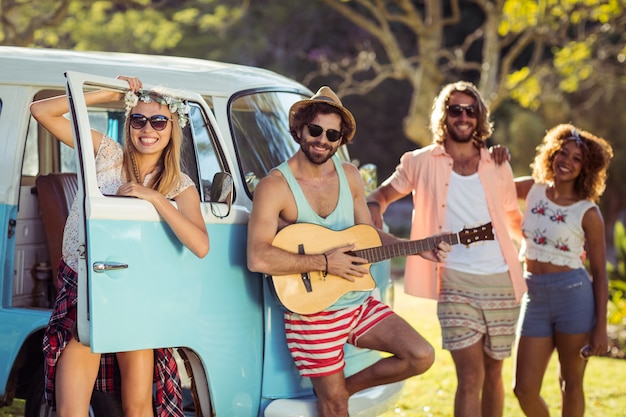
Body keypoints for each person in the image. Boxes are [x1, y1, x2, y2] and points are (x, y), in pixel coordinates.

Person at [246, 86, 450, 417]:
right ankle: (335, 397)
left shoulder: (351, 177)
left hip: (357, 303)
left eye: (332, 135)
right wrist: (326, 262)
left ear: (341, 140)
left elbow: (367, 236)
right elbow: (258, 257)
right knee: (336, 408)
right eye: (315, 130)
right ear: (299, 129)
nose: (322, 140)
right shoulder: (275, 186)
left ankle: (343, 389)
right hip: (311, 314)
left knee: (421, 355)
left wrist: (414, 248)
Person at [30, 76, 209, 417]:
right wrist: (106, 94)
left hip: (136, 296)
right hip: (85, 288)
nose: (148, 129)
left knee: (139, 407)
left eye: (159, 121)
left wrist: (154, 197)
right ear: (129, 123)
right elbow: (41, 111)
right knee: (71, 408)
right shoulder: (107, 154)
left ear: (173, 128)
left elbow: (200, 245)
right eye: (138, 119)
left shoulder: (179, 185)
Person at [366, 81, 525, 417]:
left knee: (494, 374)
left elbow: (512, 217)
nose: (463, 116)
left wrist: (540, 248)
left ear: (479, 117)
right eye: (455, 109)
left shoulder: (498, 163)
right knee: (470, 375)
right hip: (454, 281)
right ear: (445, 115)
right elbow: (380, 195)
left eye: (471, 110)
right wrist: (373, 215)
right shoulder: (419, 162)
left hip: (502, 281)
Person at [512, 124, 613, 417]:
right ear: (551, 154)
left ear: (586, 168)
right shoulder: (532, 189)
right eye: (562, 153)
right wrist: (496, 155)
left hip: (574, 297)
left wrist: (601, 328)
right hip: (534, 297)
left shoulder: (588, 212)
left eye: (577, 158)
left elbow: (600, 273)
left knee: (571, 383)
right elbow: (493, 181)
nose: (567, 161)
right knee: (524, 389)